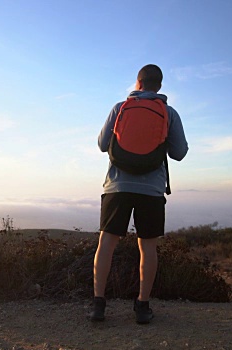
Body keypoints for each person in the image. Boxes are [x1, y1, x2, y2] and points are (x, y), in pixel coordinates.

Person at [91, 64, 188, 324]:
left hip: (117, 186)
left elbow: (102, 145)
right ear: (159, 85)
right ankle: (142, 307)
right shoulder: (169, 113)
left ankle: (98, 305)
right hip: (151, 190)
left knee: (107, 244)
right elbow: (179, 153)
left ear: (138, 83)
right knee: (147, 248)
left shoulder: (120, 108)